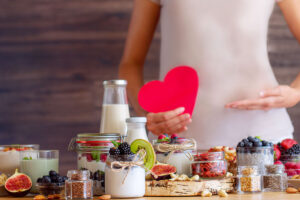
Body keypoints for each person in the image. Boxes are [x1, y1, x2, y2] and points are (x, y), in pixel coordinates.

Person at [118, 0, 300, 148]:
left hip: (265, 139)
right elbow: (130, 64)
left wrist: (296, 92)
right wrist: (151, 116)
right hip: (178, 145)